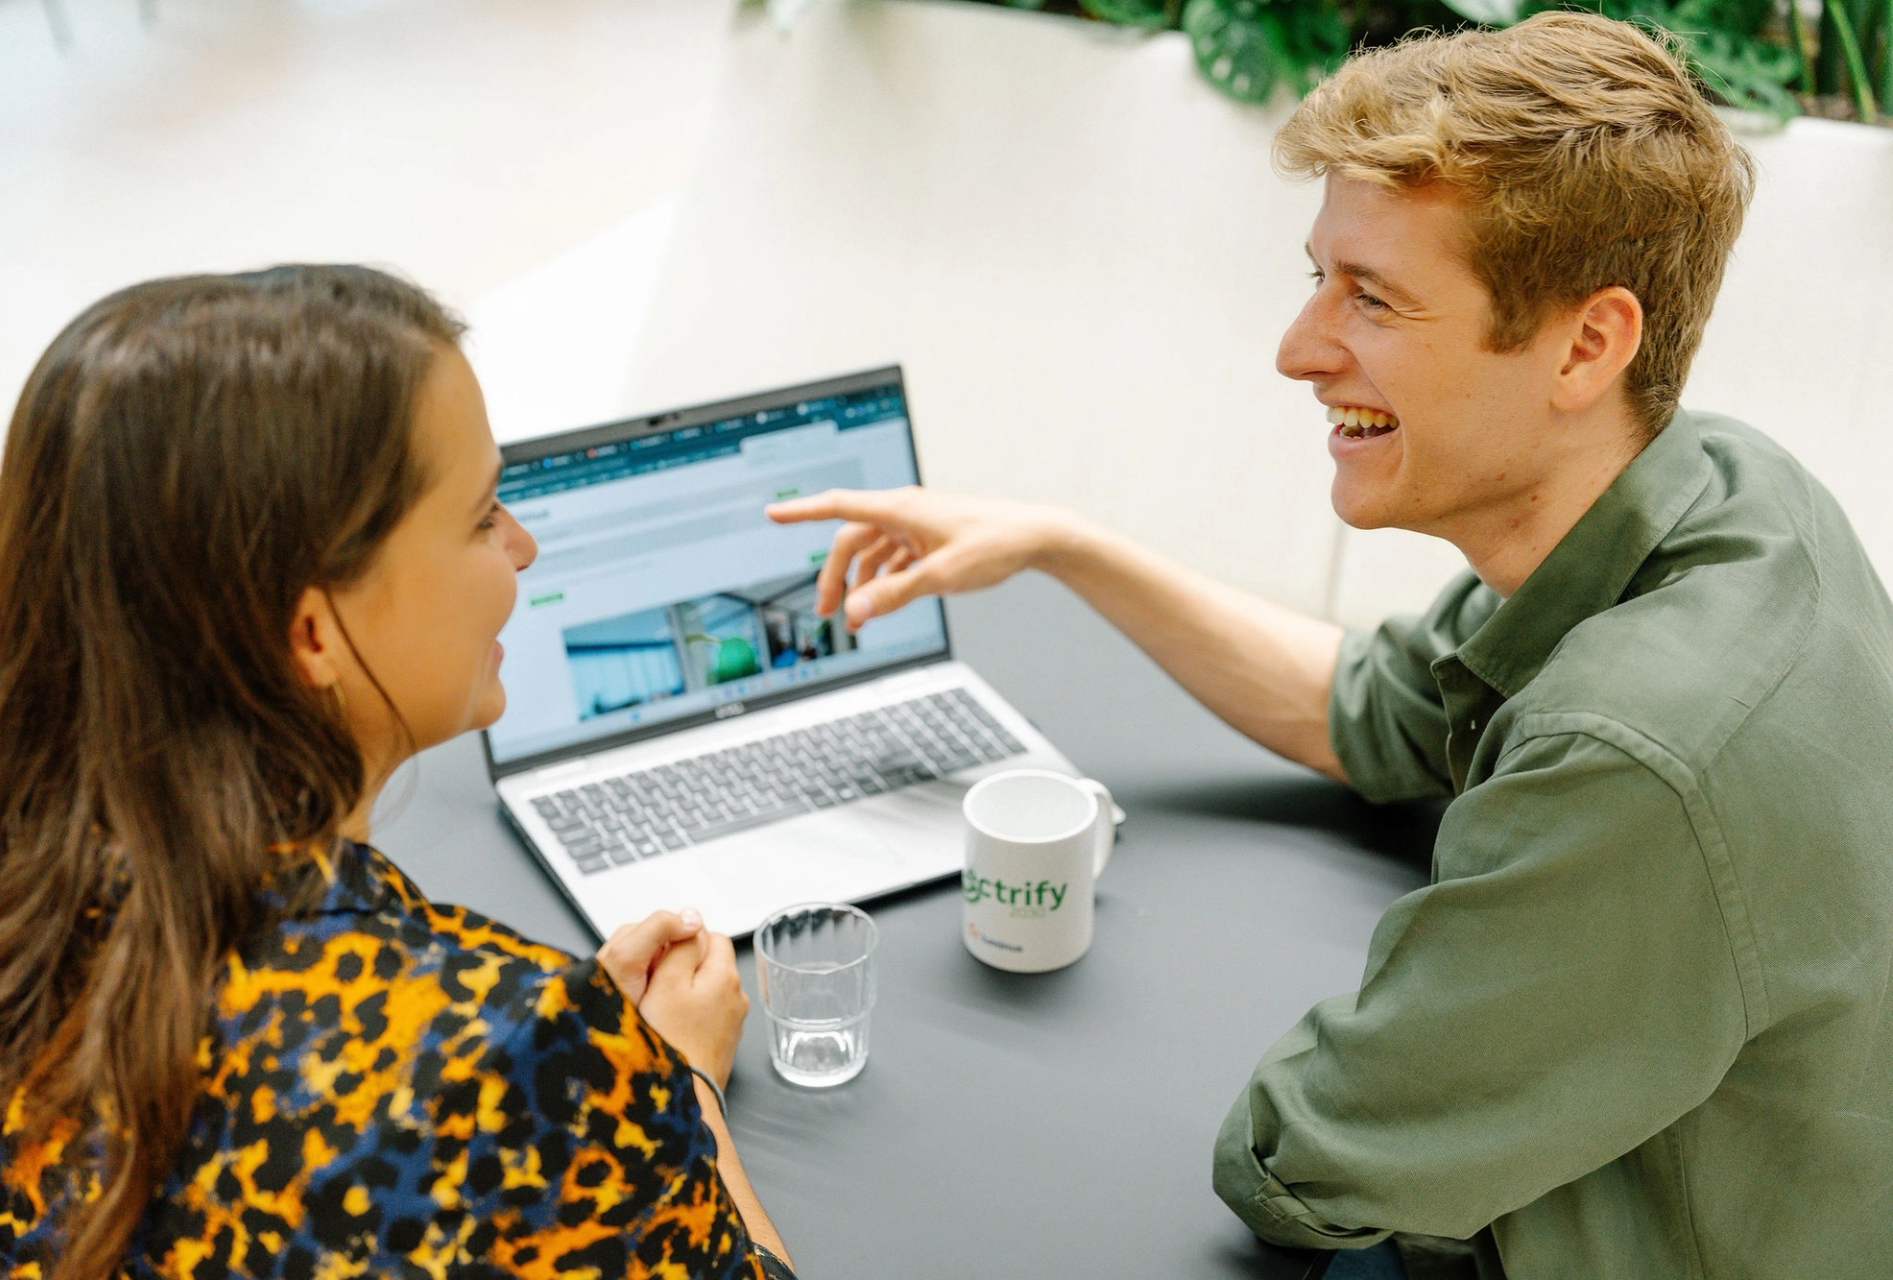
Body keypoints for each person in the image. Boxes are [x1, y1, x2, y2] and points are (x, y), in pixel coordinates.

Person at [768, 12, 1893, 1279]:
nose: (1301, 350)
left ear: (1589, 343)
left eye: (1375, 297)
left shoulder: (1633, 752)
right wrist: (1062, 541)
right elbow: (1370, 706)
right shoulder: (1728, 485)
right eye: (1320, 277)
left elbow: (1304, 1162)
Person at [0, 266, 796, 1279]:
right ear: (315, 632)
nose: (524, 546)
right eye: (483, 513)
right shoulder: (502, 1057)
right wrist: (671, 1083)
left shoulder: (19, 914)